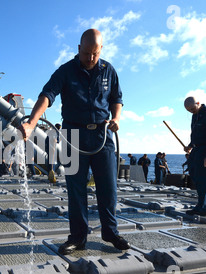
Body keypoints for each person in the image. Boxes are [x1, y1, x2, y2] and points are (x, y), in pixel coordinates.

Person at [19, 29, 130, 254]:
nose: (90, 58)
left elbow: (117, 99)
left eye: (95, 54)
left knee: (108, 188)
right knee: (75, 189)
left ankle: (110, 232)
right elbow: (47, 95)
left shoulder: (109, 70)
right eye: (87, 53)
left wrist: (116, 118)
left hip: (102, 136)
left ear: (101, 50)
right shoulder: (65, 71)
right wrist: (31, 122)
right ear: (78, 49)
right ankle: (78, 237)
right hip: (73, 137)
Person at [183, 96, 206, 216]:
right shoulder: (195, 115)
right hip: (197, 149)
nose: (191, 112)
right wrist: (190, 145)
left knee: (203, 179)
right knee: (194, 174)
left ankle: (202, 208)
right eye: (189, 111)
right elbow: (195, 133)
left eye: (192, 109)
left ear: (198, 103)